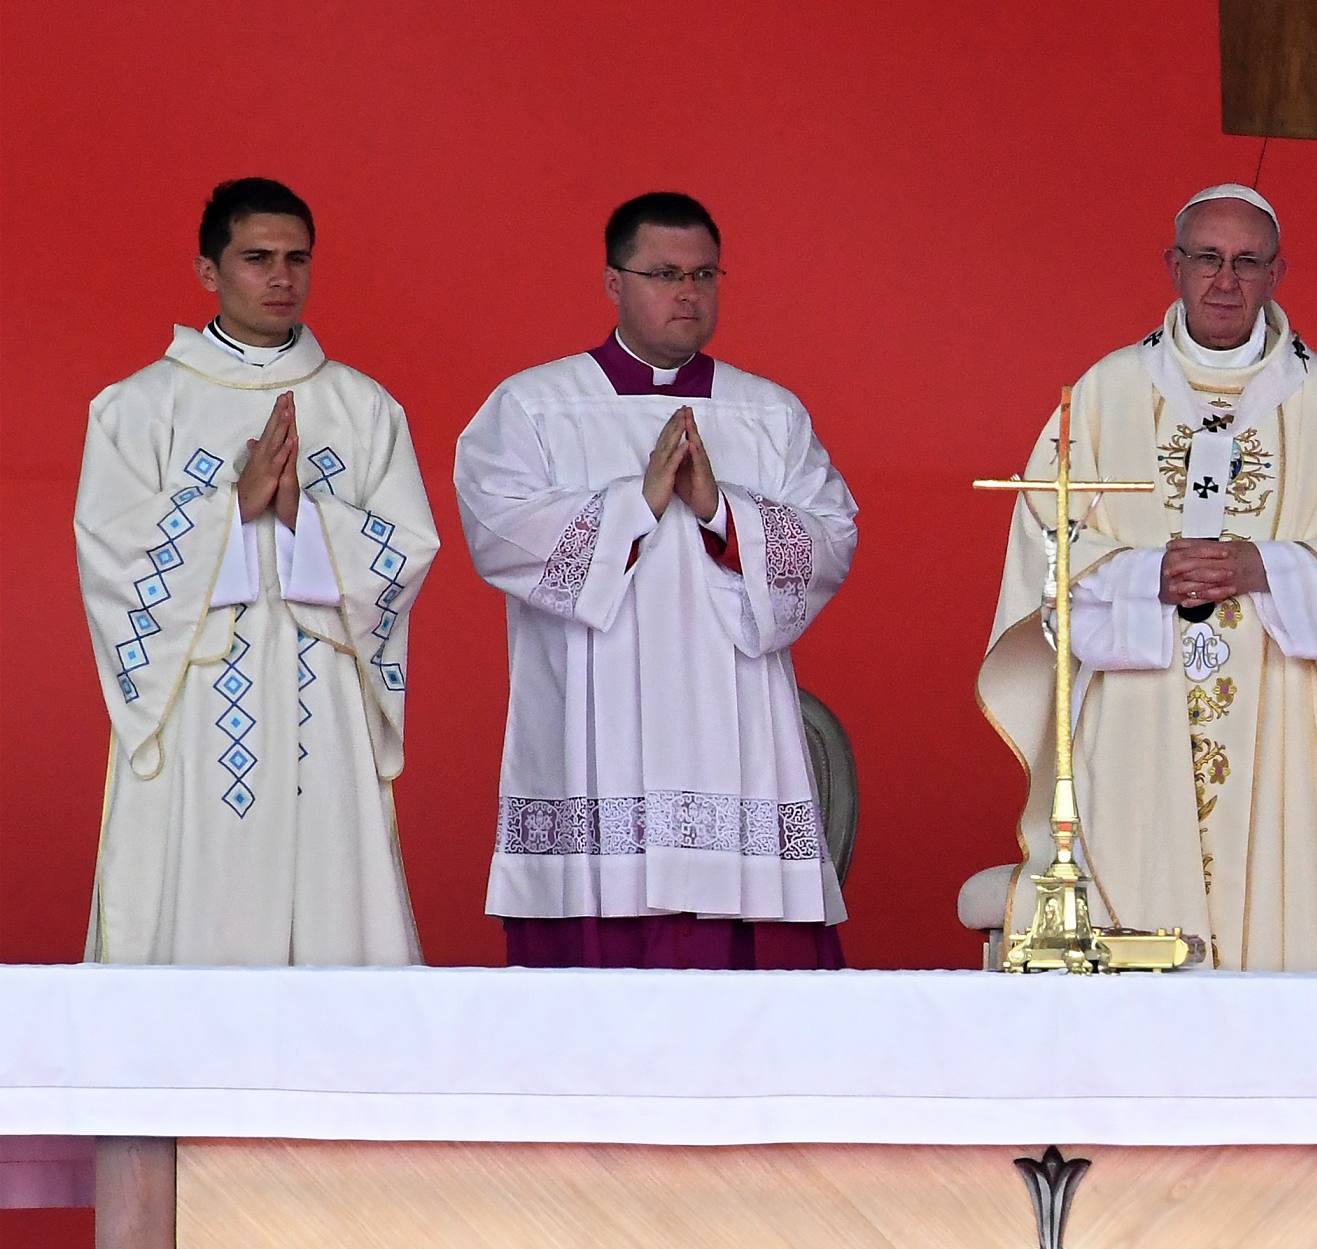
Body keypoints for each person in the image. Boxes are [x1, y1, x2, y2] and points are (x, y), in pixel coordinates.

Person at [975, 184, 1317, 970]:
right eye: (1207, 259)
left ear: (1277, 273)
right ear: (1174, 266)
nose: (1226, 280)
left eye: (1248, 261)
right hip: (1135, 715)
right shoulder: (1103, 393)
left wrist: (1268, 565)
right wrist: (1144, 577)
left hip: (1286, 714)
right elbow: (1047, 548)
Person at [453, 192, 860, 968]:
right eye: (665, 273)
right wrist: (634, 505)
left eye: (705, 273)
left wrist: (722, 514)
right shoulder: (537, 405)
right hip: (590, 721)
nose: (688, 293)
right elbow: (498, 528)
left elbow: (833, 536)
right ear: (614, 283)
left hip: (731, 718)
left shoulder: (766, 412)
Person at [76, 178, 438, 963]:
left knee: (332, 900)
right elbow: (109, 556)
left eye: (297, 259)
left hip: (324, 702)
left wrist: (308, 516)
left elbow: (408, 548)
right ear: (209, 271)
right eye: (257, 259)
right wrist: (231, 510)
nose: (282, 278)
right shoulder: (140, 406)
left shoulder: (361, 405)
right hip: (202, 696)